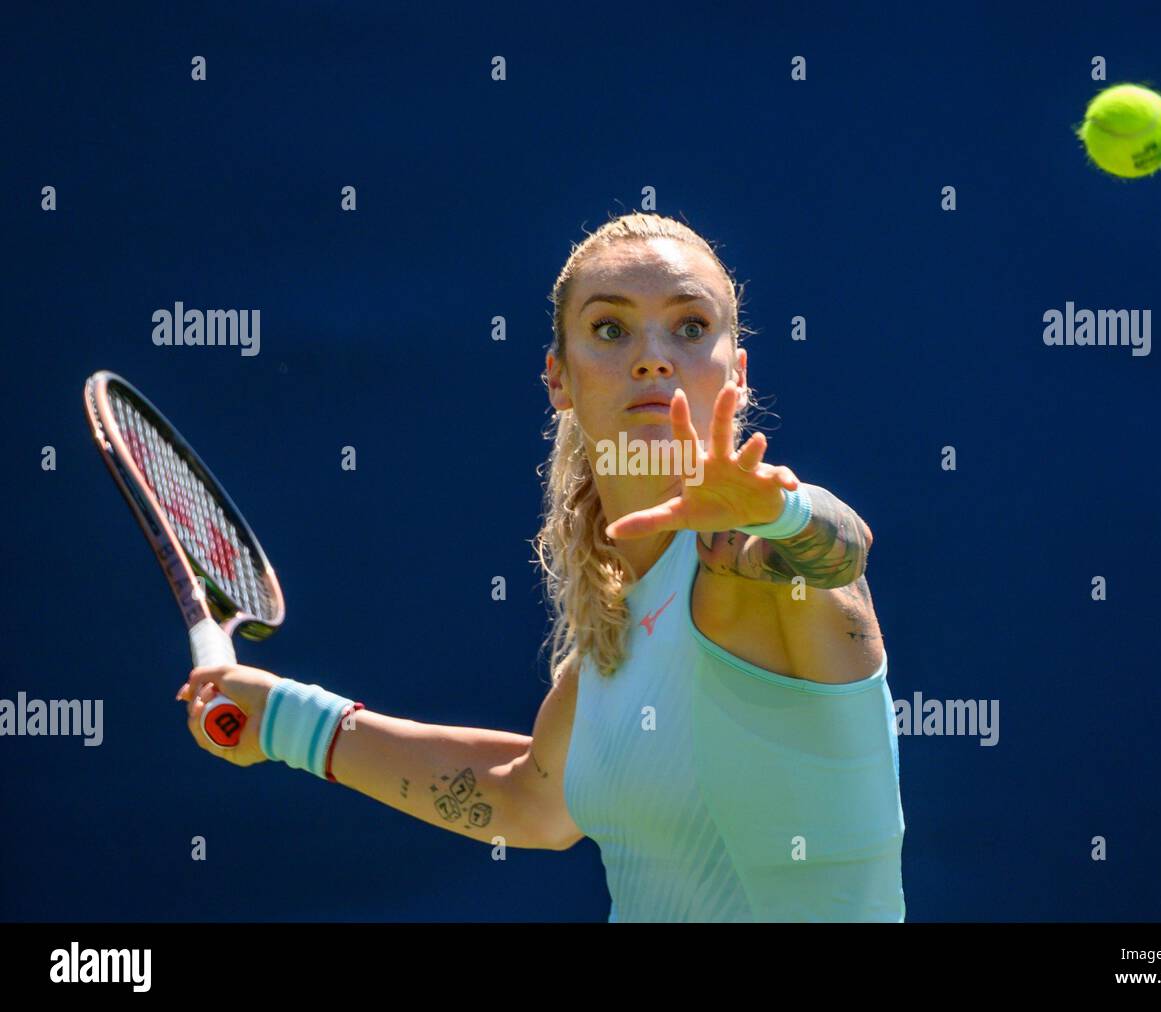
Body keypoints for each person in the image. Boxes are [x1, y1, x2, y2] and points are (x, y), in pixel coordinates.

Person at [179, 212, 905, 922]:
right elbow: (526, 796)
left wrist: (778, 512)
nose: (652, 356)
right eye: (610, 329)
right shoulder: (610, 652)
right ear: (559, 380)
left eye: (690, 326)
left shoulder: (750, 560)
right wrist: (285, 722)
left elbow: (838, 552)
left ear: (737, 374)